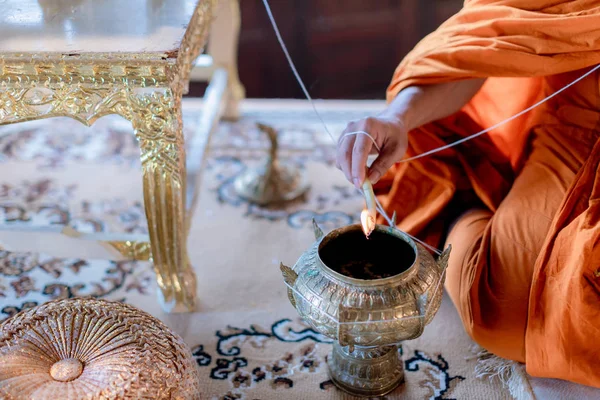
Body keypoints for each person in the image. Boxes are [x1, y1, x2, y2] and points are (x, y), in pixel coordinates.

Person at [336, 0, 600, 388]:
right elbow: (490, 40)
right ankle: (458, 200)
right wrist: (399, 117)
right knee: (510, 313)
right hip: (581, 126)